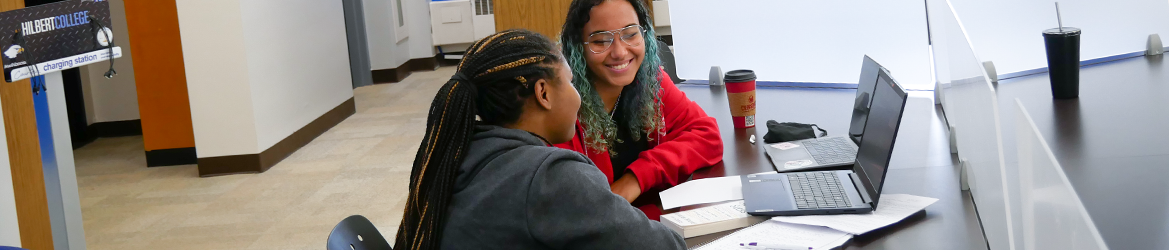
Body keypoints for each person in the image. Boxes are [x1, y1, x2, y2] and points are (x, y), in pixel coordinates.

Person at [394, 29, 685, 250]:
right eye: (571, 82)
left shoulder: (462, 150)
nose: (578, 97)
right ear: (543, 93)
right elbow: (661, 245)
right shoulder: (548, 175)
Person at [557, 0, 723, 220]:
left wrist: (636, 178)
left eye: (630, 34)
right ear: (578, 47)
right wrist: (660, 215)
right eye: (600, 41)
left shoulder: (651, 82)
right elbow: (582, 215)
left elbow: (707, 136)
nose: (619, 52)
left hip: (654, 224)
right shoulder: (561, 109)